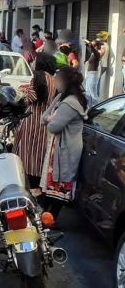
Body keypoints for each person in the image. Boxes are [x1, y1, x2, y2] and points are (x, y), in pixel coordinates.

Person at [40, 66, 87, 221]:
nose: (55, 82)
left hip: (65, 150)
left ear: (66, 81)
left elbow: (53, 126)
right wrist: (49, 117)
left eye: (58, 79)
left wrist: (49, 119)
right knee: (53, 187)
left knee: (58, 188)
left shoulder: (70, 103)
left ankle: (50, 219)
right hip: (59, 148)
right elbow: (44, 118)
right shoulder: (63, 98)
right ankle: (46, 217)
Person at [14, 53, 57, 200]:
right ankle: (39, 187)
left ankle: (32, 189)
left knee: (29, 154)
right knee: (40, 154)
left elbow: (29, 99)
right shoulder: (54, 79)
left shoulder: (38, 77)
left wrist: (23, 93)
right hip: (47, 122)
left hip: (32, 120)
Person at [83, 38, 102, 107]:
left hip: (92, 75)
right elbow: (90, 48)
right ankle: (89, 108)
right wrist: (85, 44)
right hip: (89, 75)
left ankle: (97, 107)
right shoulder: (93, 54)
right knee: (88, 92)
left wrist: (88, 42)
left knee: (93, 93)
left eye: (93, 45)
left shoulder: (97, 53)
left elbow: (91, 47)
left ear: (96, 46)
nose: (92, 46)